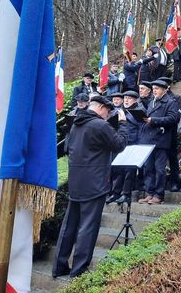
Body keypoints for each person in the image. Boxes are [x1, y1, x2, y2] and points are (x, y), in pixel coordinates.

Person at [53, 96, 128, 278]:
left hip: (76, 182)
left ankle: (59, 267)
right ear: (101, 107)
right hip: (95, 184)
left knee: (68, 226)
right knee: (88, 227)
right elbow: (120, 144)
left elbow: (66, 148)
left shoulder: (75, 123)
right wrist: (123, 123)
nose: (107, 115)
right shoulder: (99, 125)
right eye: (107, 112)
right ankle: (78, 271)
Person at [138, 79, 179, 204]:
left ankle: (158, 194)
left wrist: (154, 120)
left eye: (157, 88)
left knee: (159, 169)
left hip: (161, 140)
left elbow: (173, 118)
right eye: (154, 88)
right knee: (148, 168)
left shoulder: (170, 102)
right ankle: (149, 193)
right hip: (149, 139)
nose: (154, 91)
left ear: (165, 89)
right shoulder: (152, 102)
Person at [107, 90, 145, 205]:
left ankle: (126, 194)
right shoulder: (118, 111)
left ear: (135, 99)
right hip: (120, 143)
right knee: (118, 169)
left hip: (133, 143)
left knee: (129, 170)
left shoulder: (140, 111)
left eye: (129, 98)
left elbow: (142, 128)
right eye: (125, 98)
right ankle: (115, 192)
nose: (127, 100)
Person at [158, 76, 181, 191]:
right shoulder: (155, 98)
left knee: (172, 158)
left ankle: (174, 182)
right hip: (157, 133)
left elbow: (178, 114)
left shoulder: (175, 98)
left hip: (171, 131)